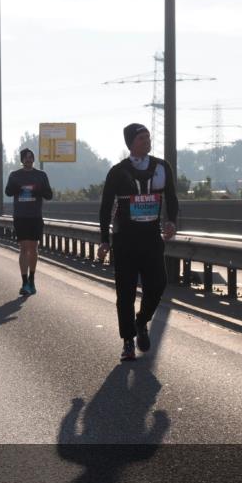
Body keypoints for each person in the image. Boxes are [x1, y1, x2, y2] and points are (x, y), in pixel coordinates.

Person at [97, 124, 179, 361]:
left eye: (148, 138)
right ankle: (128, 342)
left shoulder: (162, 168)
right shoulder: (117, 172)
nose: (147, 141)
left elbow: (172, 198)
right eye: (142, 138)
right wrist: (104, 240)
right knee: (125, 293)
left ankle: (141, 321)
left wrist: (171, 221)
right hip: (124, 241)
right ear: (130, 143)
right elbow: (104, 208)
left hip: (151, 239)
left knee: (158, 284)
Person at [5, 148, 53, 296]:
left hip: (35, 216)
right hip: (20, 216)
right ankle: (24, 282)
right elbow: (7, 192)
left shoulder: (41, 175)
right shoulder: (15, 175)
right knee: (23, 248)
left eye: (30, 157)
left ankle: (32, 279)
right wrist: (15, 188)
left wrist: (39, 191)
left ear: (34, 159)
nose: (28, 160)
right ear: (21, 160)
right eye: (25, 158)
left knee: (34, 248)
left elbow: (49, 195)